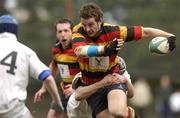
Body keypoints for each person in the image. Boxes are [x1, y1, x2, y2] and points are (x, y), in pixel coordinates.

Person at [72, 3, 176, 118]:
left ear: (99, 21)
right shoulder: (78, 31)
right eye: (84, 25)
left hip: (113, 78)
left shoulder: (114, 32)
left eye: (90, 24)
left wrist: (169, 35)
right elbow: (79, 50)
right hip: (93, 86)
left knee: (117, 111)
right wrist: (105, 49)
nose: (87, 29)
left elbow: (144, 32)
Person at [0, 15, 63, 118]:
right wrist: (58, 104)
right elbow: (48, 78)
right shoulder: (25, 51)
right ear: (15, 30)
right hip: (14, 111)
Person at [34, 18, 80, 118]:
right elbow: (53, 67)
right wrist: (43, 88)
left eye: (66, 31)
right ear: (56, 34)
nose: (63, 34)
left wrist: (76, 89)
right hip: (64, 89)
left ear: (72, 32)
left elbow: (88, 72)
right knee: (51, 115)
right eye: (60, 31)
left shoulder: (79, 49)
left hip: (80, 91)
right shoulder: (56, 48)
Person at [67, 56, 134, 118]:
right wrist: (102, 83)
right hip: (78, 112)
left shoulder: (120, 73)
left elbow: (130, 95)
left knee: (117, 112)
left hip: (97, 110)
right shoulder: (86, 75)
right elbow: (78, 95)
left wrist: (126, 81)